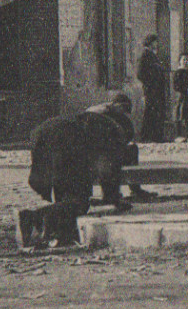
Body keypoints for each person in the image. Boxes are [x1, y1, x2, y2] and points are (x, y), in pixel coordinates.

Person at [18, 93, 139, 248]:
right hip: (67, 142)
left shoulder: (96, 119)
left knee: (64, 198)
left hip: (43, 133)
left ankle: (58, 234)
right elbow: (107, 169)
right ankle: (33, 218)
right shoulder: (115, 133)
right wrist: (113, 198)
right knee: (79, 202)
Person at [136, 35, 169, 144]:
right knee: (151, 112)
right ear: (150, 43)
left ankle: (156, 136)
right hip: (151, 89)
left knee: (157, 112)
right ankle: (148, 136)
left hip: (157, 89)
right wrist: (150, 83)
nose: (157, 44)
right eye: (155, 42)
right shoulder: (145, 55)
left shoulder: (152, 55)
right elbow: (140, 74)